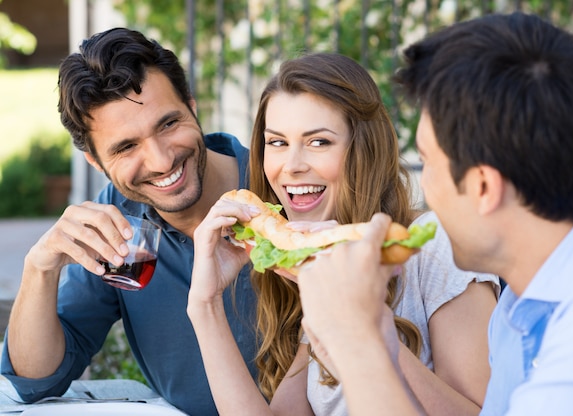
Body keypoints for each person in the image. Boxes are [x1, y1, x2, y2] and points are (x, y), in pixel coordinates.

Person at [297, 11, 573, 416]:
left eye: (429, 162)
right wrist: (381, 342)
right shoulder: (523, 303)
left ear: (483, 187)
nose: (424, 189)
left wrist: (357, 342)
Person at [187, 52, 499, 415]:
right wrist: (205, 306)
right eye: (277, 142)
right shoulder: (324, 264)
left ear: (362, 149)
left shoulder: (433, 245)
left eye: (319, 142)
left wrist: (368, 334)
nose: (292, 166)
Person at [0, 27, 258, 416]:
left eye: (168, 124)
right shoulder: (118, 221)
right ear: (95, 162)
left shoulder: (284, 188)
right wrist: (39, 267)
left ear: (192, 105)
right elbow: (37, 379)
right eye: (125, 147)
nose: (160, 160)